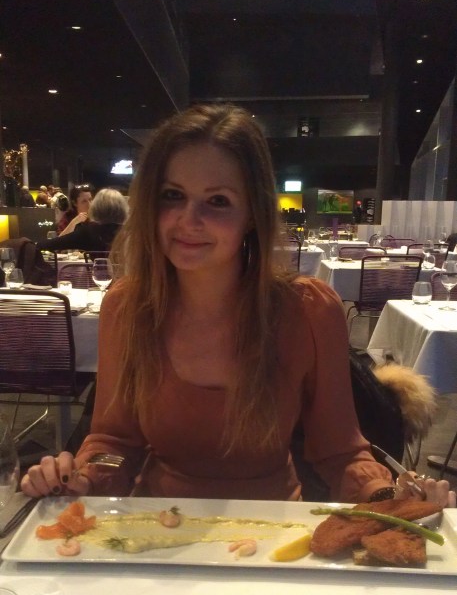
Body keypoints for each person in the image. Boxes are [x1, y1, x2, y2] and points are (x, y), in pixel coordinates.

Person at [20, 104, 456, 507]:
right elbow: (115, 442)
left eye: (218, 201)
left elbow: (340, 452)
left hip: (273, 532)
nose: (189, 220)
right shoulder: (126, 305)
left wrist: (390, 496)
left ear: (251, 214)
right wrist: (82, 478)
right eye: (172, 195)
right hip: (155, 527)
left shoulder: (308, 310)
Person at [37, 188, 128, 254]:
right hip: (127, 275)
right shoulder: (129, 233)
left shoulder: (88, 232)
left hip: (95, 275)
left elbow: (49, 245)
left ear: (96, 208)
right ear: (123, 210)